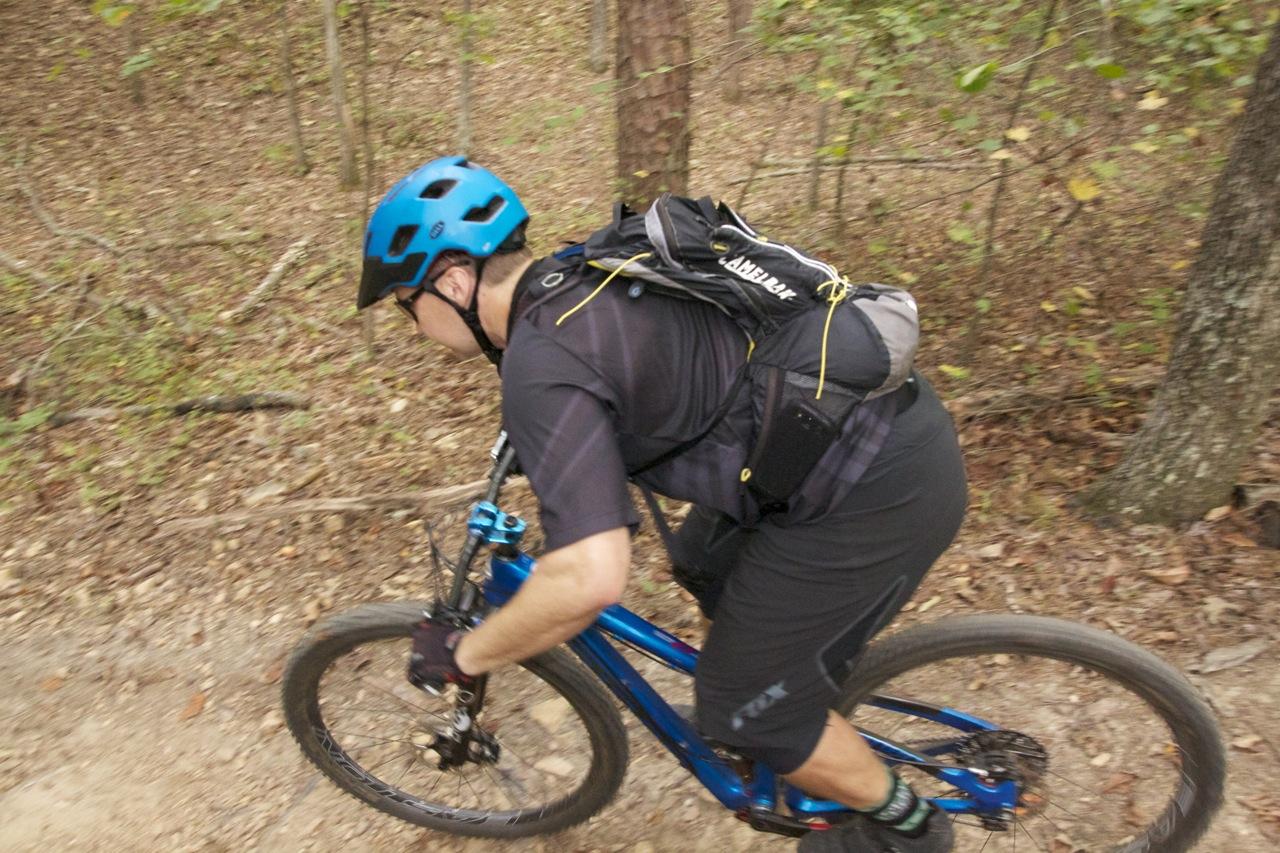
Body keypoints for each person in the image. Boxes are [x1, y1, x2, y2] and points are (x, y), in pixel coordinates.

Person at [357, 156, 966, 853]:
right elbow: (640, 369)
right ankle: (788, 697)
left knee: (740, 706)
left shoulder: (541, 361)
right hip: (859, 435)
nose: (415, 323)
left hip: (875, 490)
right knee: (701, 558)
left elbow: (589, 577)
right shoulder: (578, 273)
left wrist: (468, 654)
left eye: (408, 303)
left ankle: (908, 823)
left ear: (454, 279)